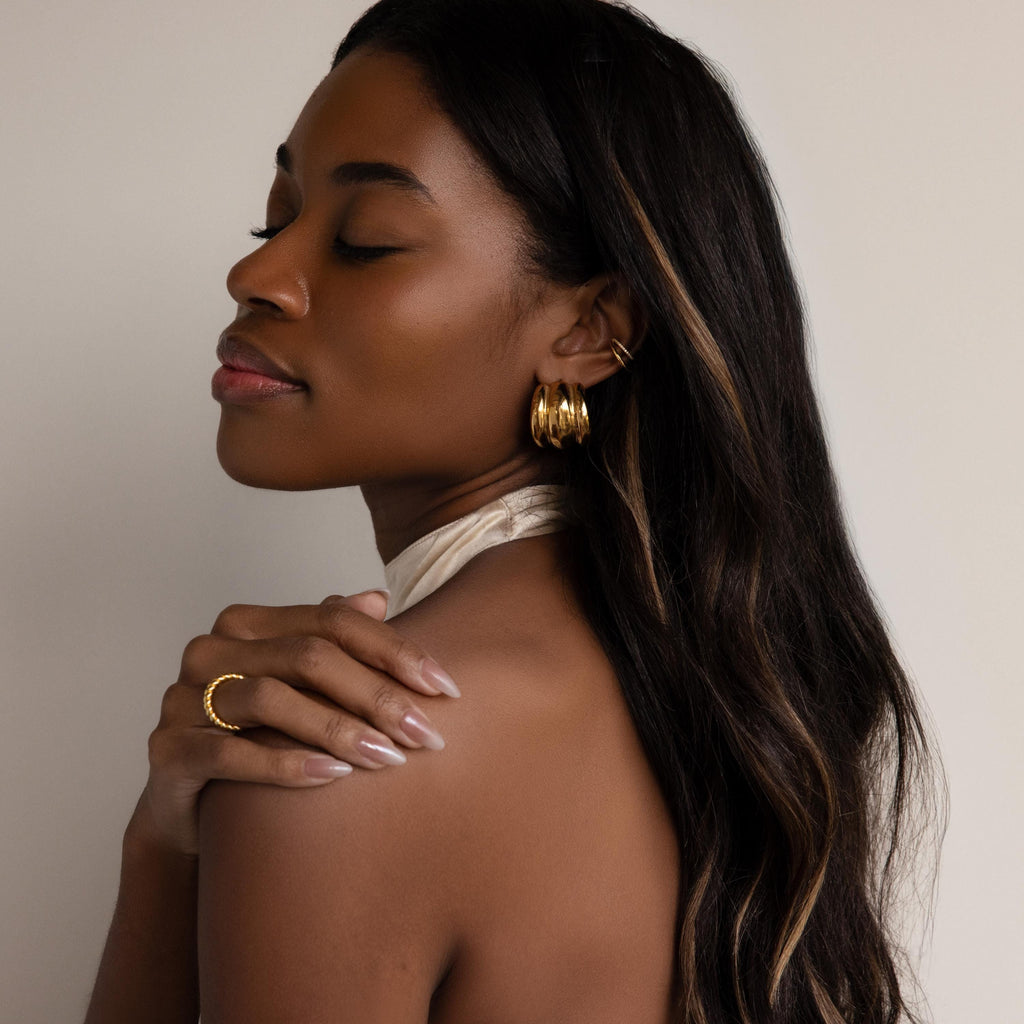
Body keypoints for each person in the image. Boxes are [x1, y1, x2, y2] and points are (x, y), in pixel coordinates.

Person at [84, 1, 939, 1021]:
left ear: (588, 330)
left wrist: (167, 847)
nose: (257, 274)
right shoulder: (718, 698)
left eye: (363, 240)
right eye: (278, 216)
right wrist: (165, 837)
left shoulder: (335, 752)